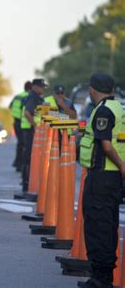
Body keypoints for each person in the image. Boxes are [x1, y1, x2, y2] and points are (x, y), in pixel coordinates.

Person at [79, 73, 125, 288]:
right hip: (110, 178)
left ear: (92, 89)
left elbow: (106, 145)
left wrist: (122, 166)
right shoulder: (117, 107)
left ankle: (101, 279)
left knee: (98, 227)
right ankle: (102, 276)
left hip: (102, 176)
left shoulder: (103, 111)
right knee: (107, 226)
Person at [20, 78, 47, 192]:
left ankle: (29, 182)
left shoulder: (37, 97)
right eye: (41, 86)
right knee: (29, 158)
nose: (43, 88)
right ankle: (26, 183)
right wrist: (35, 125)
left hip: (33, 131)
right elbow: (27, 113)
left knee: (32, 157)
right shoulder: (32, 97)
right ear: (34, 87)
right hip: (30, 131)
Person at [9, 81, 32, 172]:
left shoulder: (17, 96)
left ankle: (18, 163)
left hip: (16, 122)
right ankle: (22, 164)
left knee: (20, 143)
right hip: (24, 123)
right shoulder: (28, 97)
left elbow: (10, 106)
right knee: (25, 144)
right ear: (31, 88)